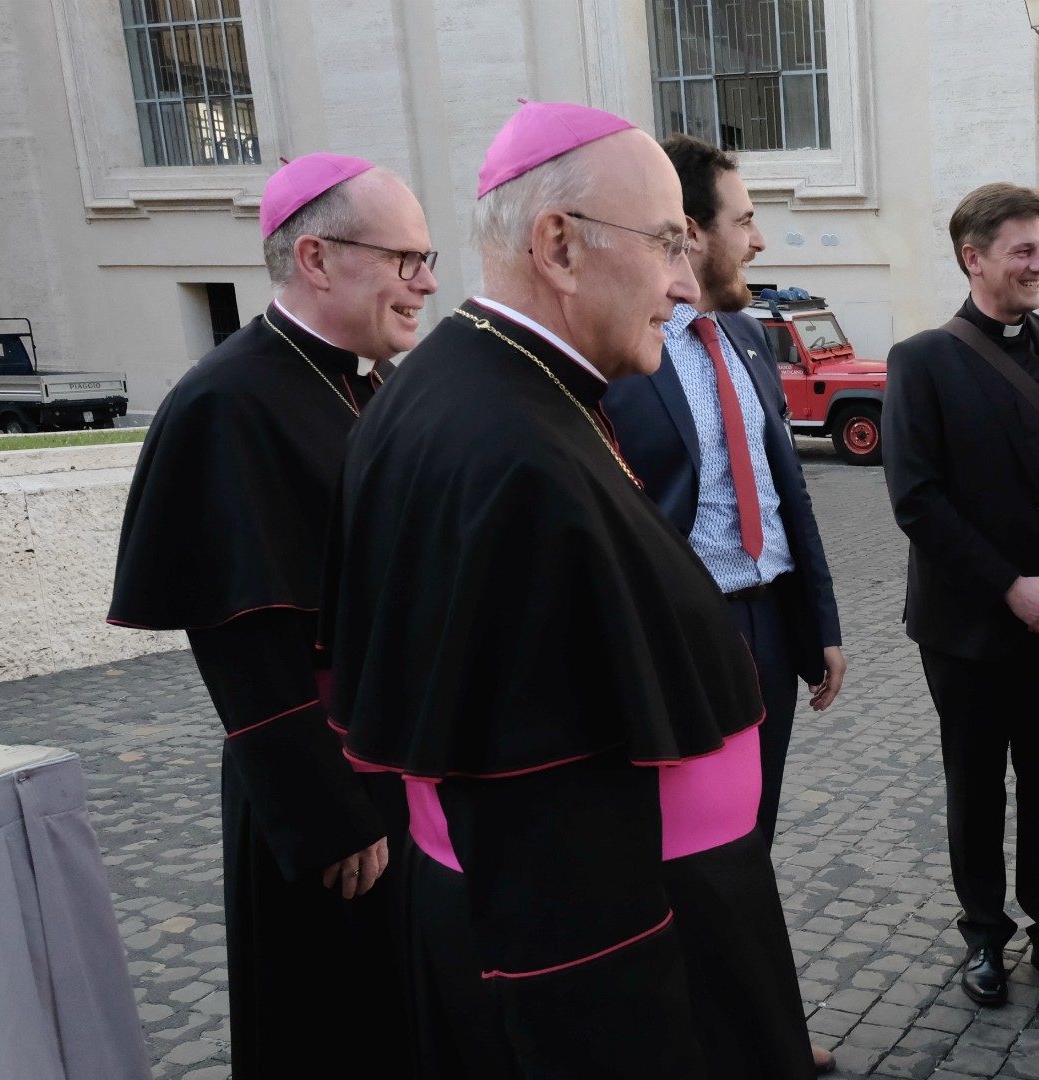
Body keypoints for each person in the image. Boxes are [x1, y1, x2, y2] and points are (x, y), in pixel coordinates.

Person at [318, 100, 816, 1079]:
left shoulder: (483, 388)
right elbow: (543, 837)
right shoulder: (512, 455)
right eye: (669, 242)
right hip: (616, 972)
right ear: (559, 245)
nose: (683, 282)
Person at [107, 152, 432, 1076]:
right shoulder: (227, 399)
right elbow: (239, 633)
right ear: (318, 258)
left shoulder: (358, 381)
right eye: (404, 258)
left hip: (387, 758)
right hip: (322, 781)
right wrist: (329, 815)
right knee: (330, 1024)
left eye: (426, 256)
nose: (427, 281)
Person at [882, 181, 1039, 1009]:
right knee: (975, 787)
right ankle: (984, 936)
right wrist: (1011, 587)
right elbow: (917, 498)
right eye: (1023, 251)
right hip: (968, 628)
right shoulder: (923, 362)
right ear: (973, 257)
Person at [602, 132, 846, 848]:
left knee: (754, 832)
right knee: (689, 843)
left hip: (769, 626)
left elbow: (787, 489)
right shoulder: (624, 353)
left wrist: (821, 624)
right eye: (743, 222)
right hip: (686, 631)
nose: (760, 241)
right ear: (691, 232)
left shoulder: (745, 334)